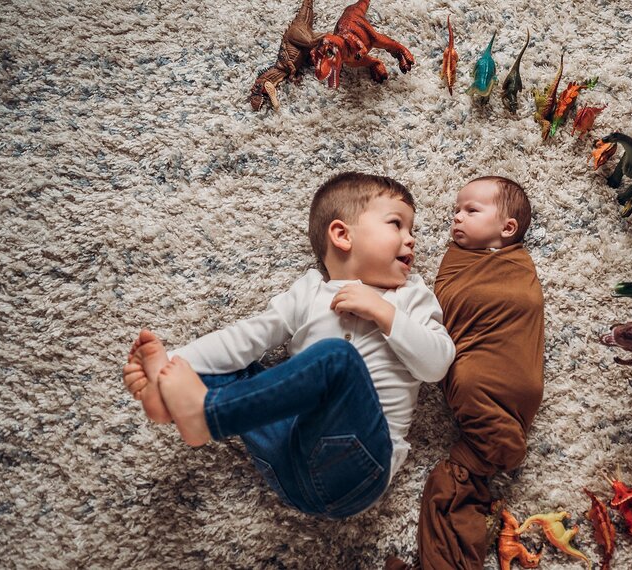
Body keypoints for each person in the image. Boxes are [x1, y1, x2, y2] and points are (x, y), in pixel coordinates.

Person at [122, 172, 455, 520]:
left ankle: (207, 415)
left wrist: (385, 315)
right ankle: (172, 396)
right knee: (236, 364)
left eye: (412, 230)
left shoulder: (411, 297)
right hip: (286, 458)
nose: (411, 239)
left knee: (338, 360)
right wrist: (172, 363)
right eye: (397, 225)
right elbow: (245, 338)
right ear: (342, 235)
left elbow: (437, 365)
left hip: (358, 469)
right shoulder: (309, 292)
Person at [388, 175, 545, 569]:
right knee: (467, 382)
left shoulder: (513, 266)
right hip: (482, 368)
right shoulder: (461, 259)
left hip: (503, 369)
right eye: (456, 210)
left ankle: (494, 446)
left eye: (471, 210)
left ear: (507, 229)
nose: (457, 217)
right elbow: (446, 308)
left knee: (471, 384)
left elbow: (520, 303)